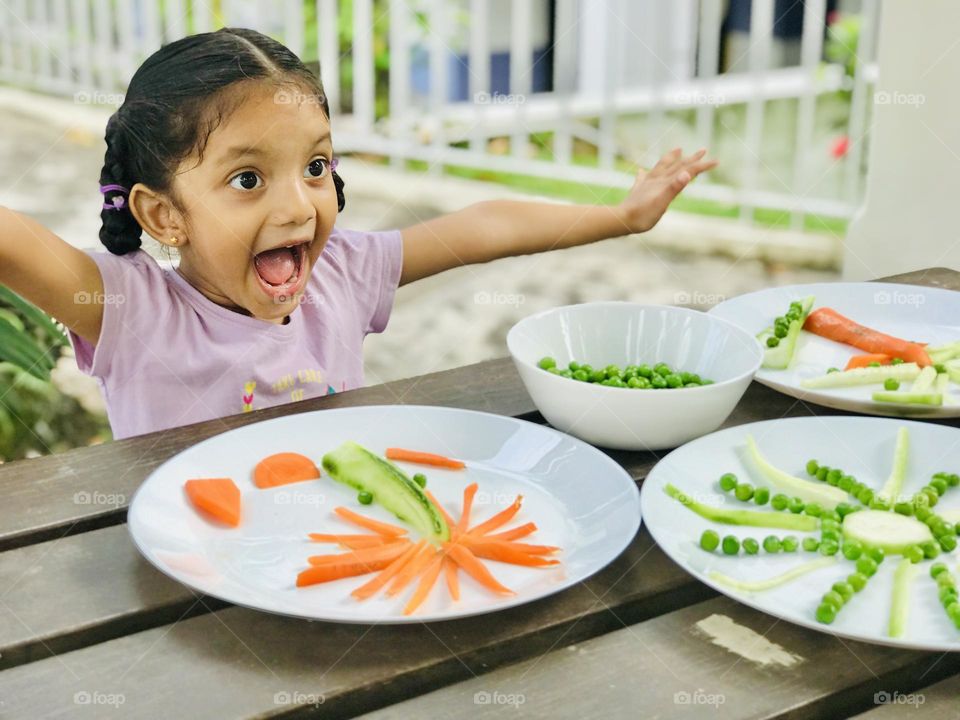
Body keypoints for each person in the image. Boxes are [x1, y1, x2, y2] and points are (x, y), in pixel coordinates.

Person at [0, 28, 716, 440]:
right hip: (189, 587)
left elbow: (481, 226)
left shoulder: (341, 272)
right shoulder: (133, 312)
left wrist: (620, 218)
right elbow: (15, 241)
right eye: (247, 180)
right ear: (163, 216)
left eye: (315, 165)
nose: (298, 207)